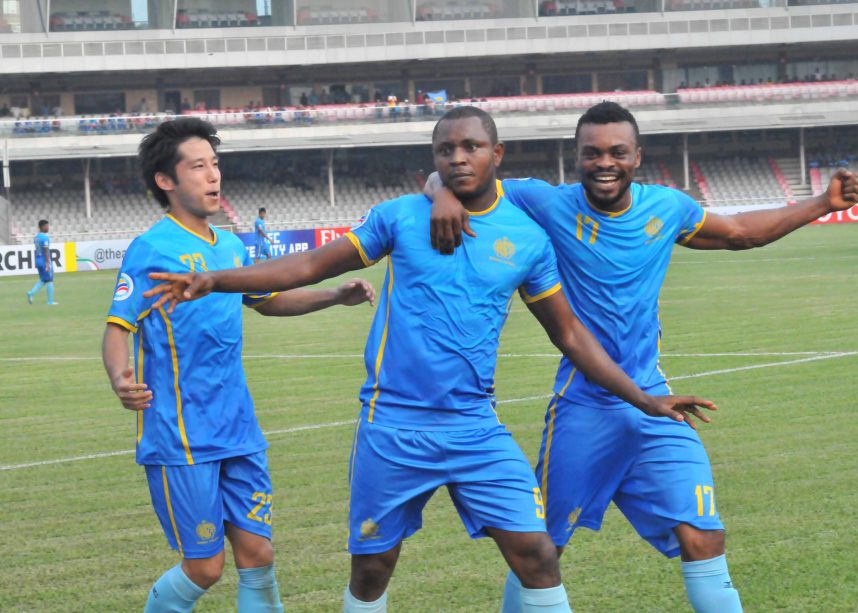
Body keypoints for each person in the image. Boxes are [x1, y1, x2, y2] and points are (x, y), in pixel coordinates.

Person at [143, 107, 716, 613]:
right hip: (393, 426)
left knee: (537, 553)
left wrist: (644, 398)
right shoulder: (399, 217)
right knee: (371, 569)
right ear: (434, 160)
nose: (459, 158)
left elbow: (570, 334)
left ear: (499, 154)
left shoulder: (529, 238)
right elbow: (308, 267)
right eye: (447, 150)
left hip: (476, 429)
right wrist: (217, 279)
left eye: (471, 147)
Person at [428, 102, 858, 613]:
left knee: (703, 538)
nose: (604, 162)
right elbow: (468, 177)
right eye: (591, 153)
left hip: (656, 398)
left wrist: (822, 203)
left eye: (616, 152)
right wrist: (440, 192)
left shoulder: (667, 208)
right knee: (539, 551)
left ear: (638, 157)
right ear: (576, 158)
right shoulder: (545, 203)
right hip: (583, 407)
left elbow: (742, 233)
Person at [101, 117, 375, 613]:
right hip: (181, 435)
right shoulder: (151, 249)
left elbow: (268, 300)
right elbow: (119, 326)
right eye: (198, 166)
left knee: (258, 553)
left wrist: (335, 295)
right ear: (166, 181)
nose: (213, 176)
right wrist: (120, 378)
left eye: (215, 165)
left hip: (238, 427)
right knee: (205, 567)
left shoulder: (229, 246)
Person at [26, 219, 57, 305]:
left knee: (43, 279)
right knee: (50, 280)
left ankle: (31, 293)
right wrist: (47, 263)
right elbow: (46, 250)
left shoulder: (36, 237)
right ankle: (50, 301)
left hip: (38, 260)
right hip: (44, 261)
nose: (48, 227)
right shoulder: (45, 237)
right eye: (47, 226)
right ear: (42, 227)